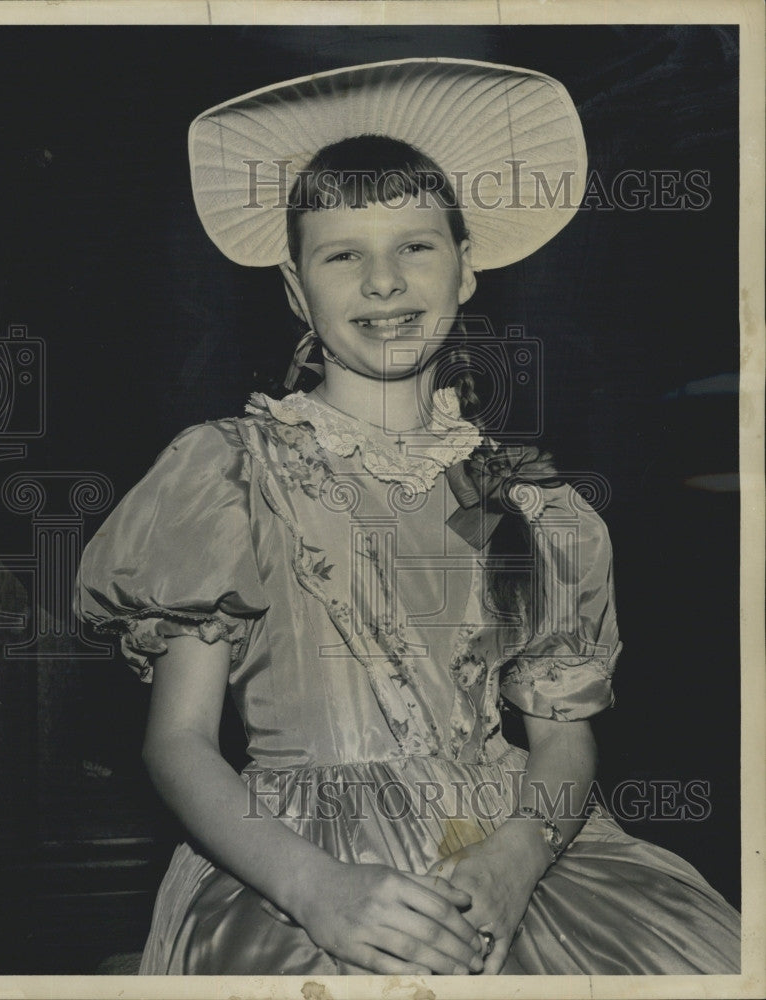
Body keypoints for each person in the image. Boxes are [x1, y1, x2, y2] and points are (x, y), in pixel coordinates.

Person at [74, 58, 740, 976]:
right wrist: (315, 890)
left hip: (516, 846)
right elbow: (178, 743)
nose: (383, 283)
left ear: (467, 270)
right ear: (297, 290)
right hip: (299, 857)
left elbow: (561, 734)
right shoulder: (229, 471)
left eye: (416, 247)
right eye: (343, 254)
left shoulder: (534, 506)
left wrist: (517, 858)